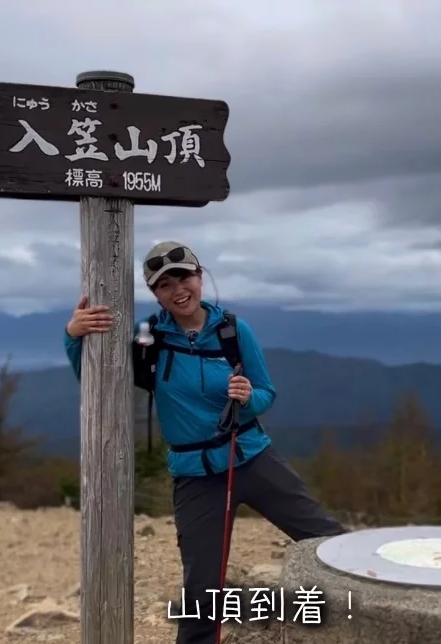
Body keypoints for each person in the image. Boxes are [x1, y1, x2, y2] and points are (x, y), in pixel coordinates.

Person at [64, 241, 346, 644]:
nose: (178, 289)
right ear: (155, 294)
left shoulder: (233, 330)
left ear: (200, 277)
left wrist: (248, 399)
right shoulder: (149, 337)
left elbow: (266, 393)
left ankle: (372, 617)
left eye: (184, 276)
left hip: (252, 457)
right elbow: (101, 382)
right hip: (196, 475)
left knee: (327, 541)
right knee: (202, 589)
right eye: (164, 284)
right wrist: (74, 337)